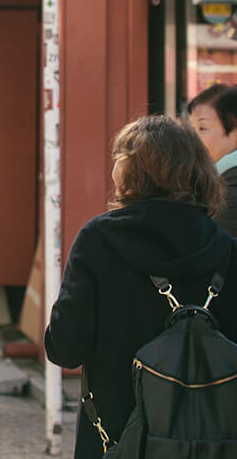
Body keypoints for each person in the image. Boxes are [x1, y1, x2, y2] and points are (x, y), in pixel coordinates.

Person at [45, 115, 237, 458]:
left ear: (129, 170)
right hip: (214, 441)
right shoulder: (228, 250)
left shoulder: (99, 240)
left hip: (116, 439)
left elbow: (65, 347)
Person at [187, 84, 237, 235]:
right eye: (192, 128)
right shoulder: (220, 183)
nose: (193, 137)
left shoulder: (229, 196)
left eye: (203, 128)